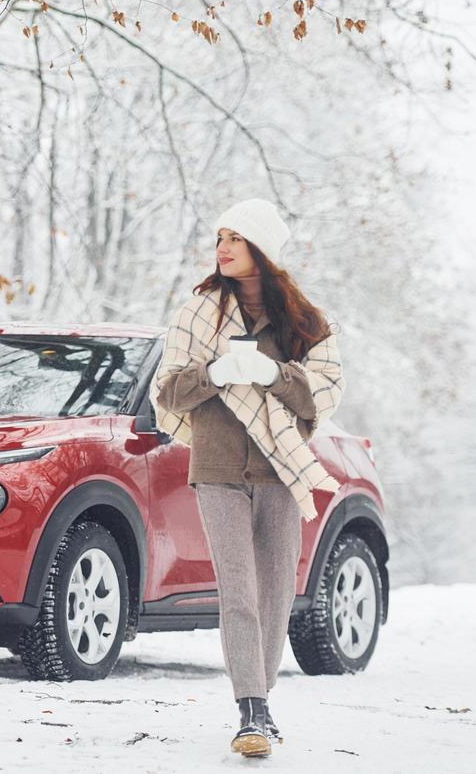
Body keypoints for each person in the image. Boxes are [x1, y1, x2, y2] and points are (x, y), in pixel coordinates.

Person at [151, 198, 345, 758]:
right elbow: (167, 390)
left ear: (261, 246)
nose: (223, 247)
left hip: (280, 469)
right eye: (220, 237)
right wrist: (214, 372)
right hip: (216, 466)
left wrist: (274, 374)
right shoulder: (199, 312)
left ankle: (262, 696)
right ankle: (251, 710)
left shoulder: (302, 320)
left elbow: (323, 393)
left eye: (235, 237)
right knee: (237, 590)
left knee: (277, 588)